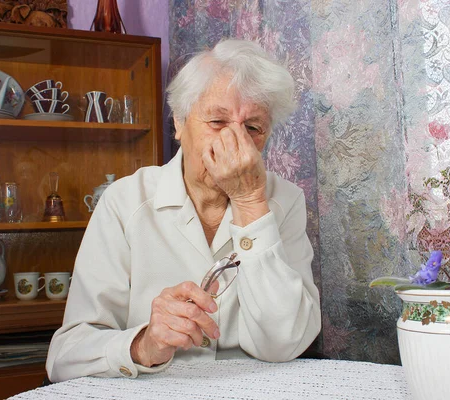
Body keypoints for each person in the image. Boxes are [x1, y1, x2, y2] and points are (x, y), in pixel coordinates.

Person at [46, 39, 321, 382]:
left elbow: (285, 343)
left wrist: (251, 203)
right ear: (179, 123)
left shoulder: (286, 200)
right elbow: (64, 357)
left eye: (253, 128)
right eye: (218, 121)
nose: (236, 142)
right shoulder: (124, 202)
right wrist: (144, 344)